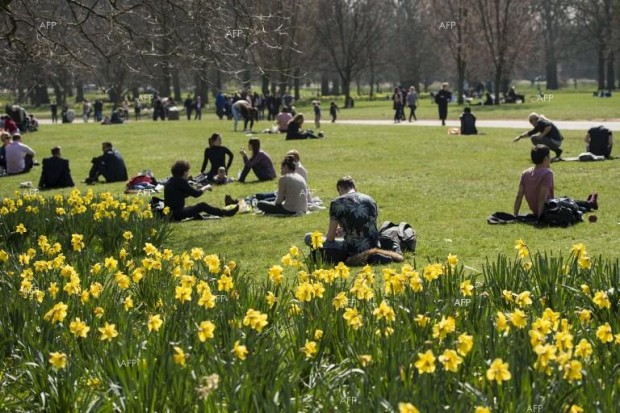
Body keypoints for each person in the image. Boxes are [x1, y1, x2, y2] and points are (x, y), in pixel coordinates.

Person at [304, 176, 380, 261]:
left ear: (339, 189)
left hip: (353, 250)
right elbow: (368, 226)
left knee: (309, 237)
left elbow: (330, 238)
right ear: (355, 188)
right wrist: (345, 230)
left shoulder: (337, 202)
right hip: (374, 247)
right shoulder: (370, 199)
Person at [514, 145, 596, 218]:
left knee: (565, 199)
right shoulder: (547, 173)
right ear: (546, 158)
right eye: (549, 156)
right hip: (549, 210)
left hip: (537, 210)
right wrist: (539, 218)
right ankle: (590, 204)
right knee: (569, 204)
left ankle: (588, 203)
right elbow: (542, 197)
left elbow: (519, 196)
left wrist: (515, 215)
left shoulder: (525, 173)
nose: (551, 159)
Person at [164, 160, 238, 221]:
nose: (188, 173)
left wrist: (197, 188)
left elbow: (181, 195)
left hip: (169, 215)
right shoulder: (181, 181)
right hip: (177, 215)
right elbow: (196, 194)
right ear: (184, 172)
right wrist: (206, 187)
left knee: (194, 207)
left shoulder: (171, 181)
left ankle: (222, 212)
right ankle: (225, 213)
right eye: (188, 171)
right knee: (202, 206)